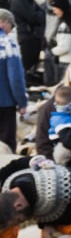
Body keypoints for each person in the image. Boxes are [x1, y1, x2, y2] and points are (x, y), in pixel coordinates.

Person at [9, 0, 44, 83]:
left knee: (33, 63)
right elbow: (33, 17)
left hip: (33, 35)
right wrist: (43, 14)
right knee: (27, 64)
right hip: (27, 37)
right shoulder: (19, 0)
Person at [0, 9, 27, 152]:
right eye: (11, 25)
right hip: (4, 104)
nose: (11, 29)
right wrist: (22, 101)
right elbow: (15, 77)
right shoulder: (7, 42)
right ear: (4, 22)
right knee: (5, 146)